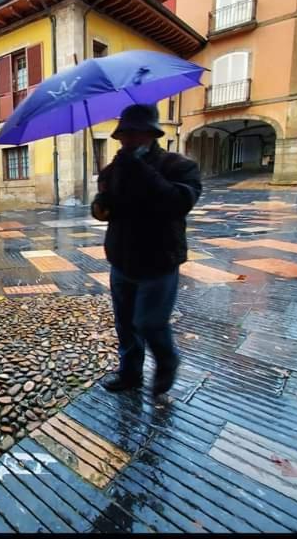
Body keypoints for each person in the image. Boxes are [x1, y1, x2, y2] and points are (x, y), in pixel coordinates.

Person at [91, 103, 202, 396]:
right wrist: (100, 203)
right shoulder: (115, 169)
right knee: (126, 325)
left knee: (149, 322)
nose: (129, 140)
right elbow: (104, 209)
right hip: (122, 260)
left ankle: (167, 361)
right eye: (125, 135)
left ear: (151, 134)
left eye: (136, 134)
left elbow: (178, 202)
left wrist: (139, 169)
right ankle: (130, 375)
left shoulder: (178, 166)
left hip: (159, 260)